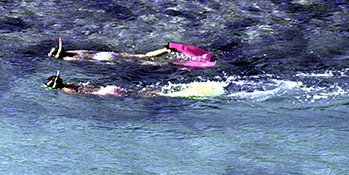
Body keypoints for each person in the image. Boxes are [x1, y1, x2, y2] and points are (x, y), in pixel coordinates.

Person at [48, 38, 216, 67]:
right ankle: (167, 49)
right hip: (108, 54)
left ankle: (173, 64)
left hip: (107, 59)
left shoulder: (70, 59)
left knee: (144, 63)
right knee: (143, 56)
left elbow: (61, 56)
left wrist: (57, 56)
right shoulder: (75, 52)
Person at [44, 73, 226, 98]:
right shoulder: (71, 83)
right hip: (107, 86)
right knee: (139, 91)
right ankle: (163, 89)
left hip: (105, 93)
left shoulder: (67, 89)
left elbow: (86, 95)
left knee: (138, 96)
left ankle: (159, 94)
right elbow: (90, 86)